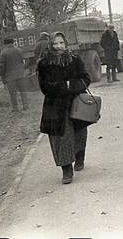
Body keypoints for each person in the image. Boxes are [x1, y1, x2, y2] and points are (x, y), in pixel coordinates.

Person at [37, 32, 92, 184]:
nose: (59, 46)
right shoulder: (44, 64)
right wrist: (65, 86)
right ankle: (66, 169)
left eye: (61, 43)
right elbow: (44, 87)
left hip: (76, 103)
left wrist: (72, 86)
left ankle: (79, 156)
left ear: (66, 43)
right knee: (60, 138)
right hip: (55, 106)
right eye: (55, 43)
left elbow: (86, 78)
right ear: (50, 45)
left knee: (79, 133)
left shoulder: (75, 60)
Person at [0, 38, 29, 112]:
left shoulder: (3, 53)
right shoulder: (20, 50)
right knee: (23, 91)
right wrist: (23, 68)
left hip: (10, 77)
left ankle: (15, 108)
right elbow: (27, 61)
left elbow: (1, 66)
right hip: (21, 75)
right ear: (12, 42)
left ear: (5, 44)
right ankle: (25, 106)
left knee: (13, 93)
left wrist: (1, 75)